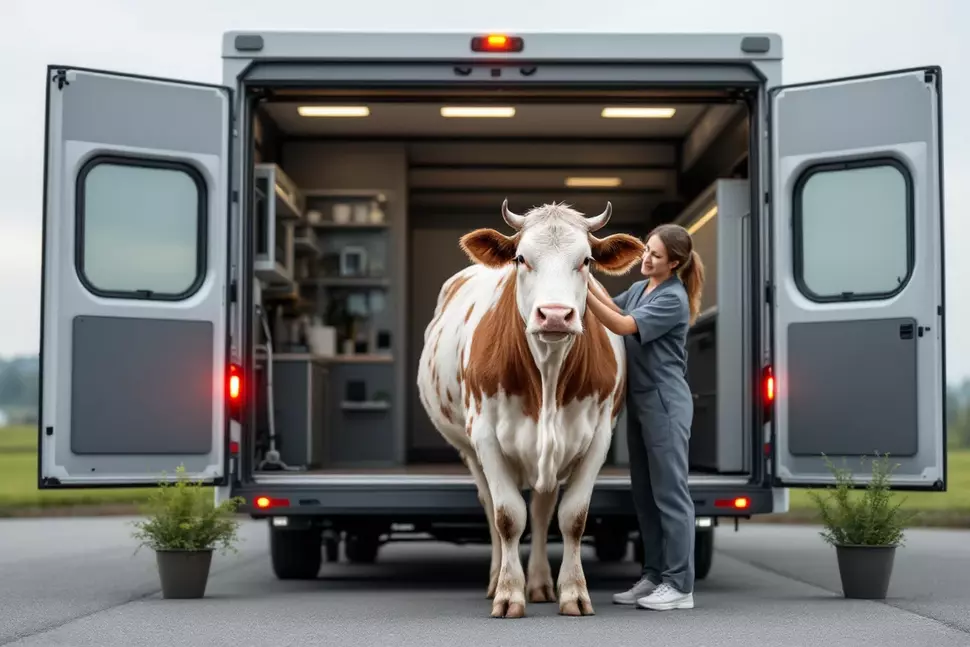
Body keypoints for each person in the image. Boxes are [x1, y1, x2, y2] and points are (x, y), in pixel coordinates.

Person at [585, 222, 705, 611]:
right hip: (640, 403)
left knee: (671, 495)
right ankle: (654, 575)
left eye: (655, 255)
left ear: (673, 262)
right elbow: (609, 303)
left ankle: (679, 585)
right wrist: (576, 276)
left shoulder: (673, 298)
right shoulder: (641, 288)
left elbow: (619, 324)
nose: (646, 259)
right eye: (646, 251)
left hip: (666, 404)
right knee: (646, 496)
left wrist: (581, 289)